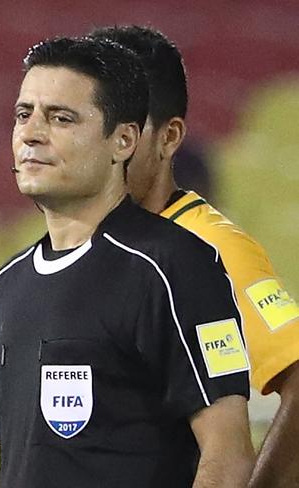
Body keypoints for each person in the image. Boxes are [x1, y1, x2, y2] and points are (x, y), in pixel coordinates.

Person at [0, 36, 255, 488]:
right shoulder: (8, 284)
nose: (31, 133)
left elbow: (228, 457)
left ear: (124, 140)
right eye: (23, 114)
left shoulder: (174, 266)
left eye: (61, 118)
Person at [90, 25, 299, 488]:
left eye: (126, 128)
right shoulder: (66, 256)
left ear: (169, 137)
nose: (106, 145)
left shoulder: (211, 248)